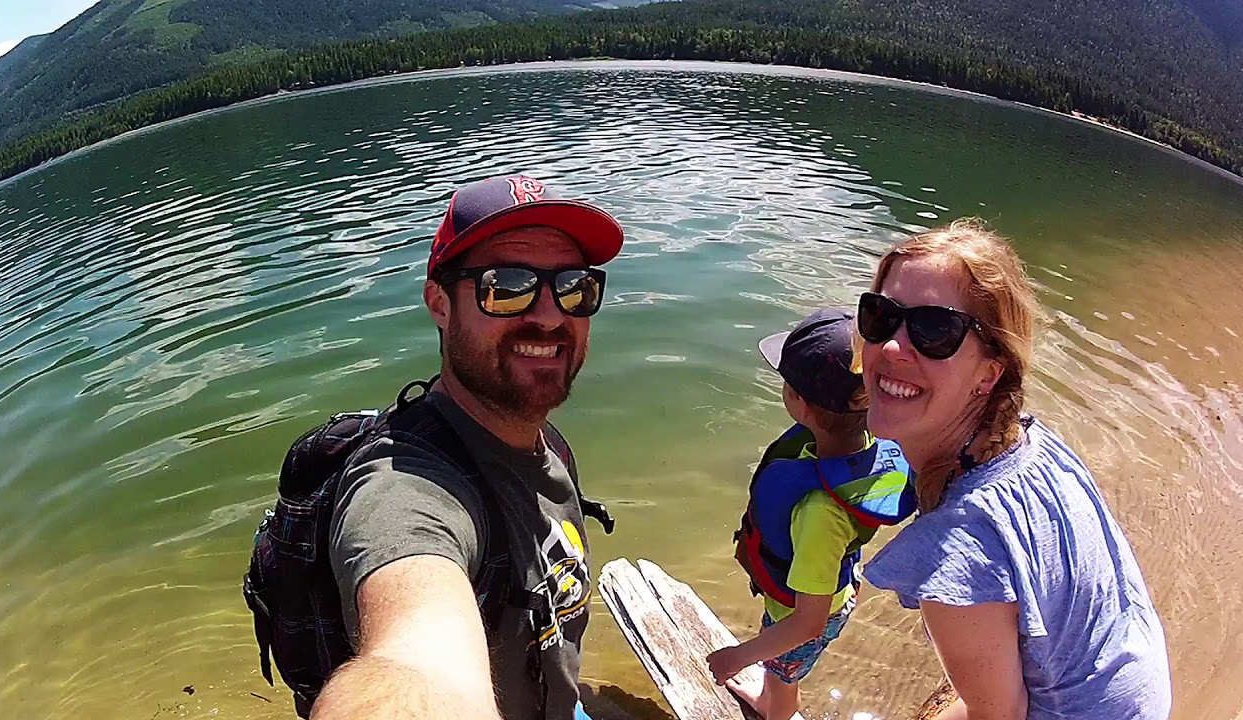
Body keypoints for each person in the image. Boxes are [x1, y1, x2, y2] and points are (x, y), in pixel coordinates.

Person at [252, 174, 624, 720]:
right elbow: (417, 660)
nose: (549, 316)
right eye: (506, 287)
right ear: (440, 304)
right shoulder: (406, 486)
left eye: (574, 287)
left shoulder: (542, 442)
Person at [856, 219, 1172, 719]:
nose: (893, 346)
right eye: (880, 316)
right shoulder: (1034, 444)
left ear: (990, 371)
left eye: (934, 330)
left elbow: (998, 716)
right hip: (1137, 676)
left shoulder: (956, 547)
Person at [706, 308, 915, 719]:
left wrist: (738, 657)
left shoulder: (818, 511)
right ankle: (772, 691)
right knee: (781, 668)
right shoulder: (865, 440)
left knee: (784, 676)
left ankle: (774, 709)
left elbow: (807, 624)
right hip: (832, 582)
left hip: (807, 611)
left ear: (799, 404)